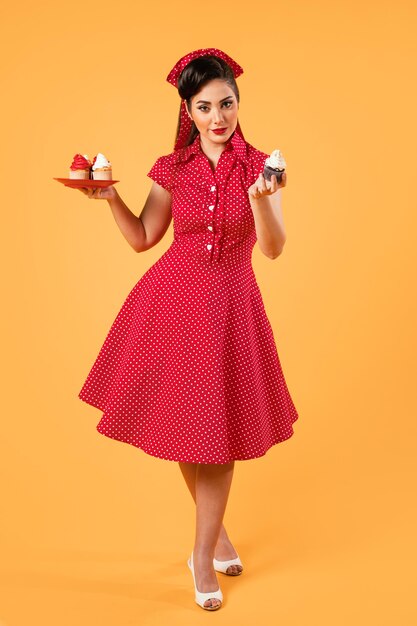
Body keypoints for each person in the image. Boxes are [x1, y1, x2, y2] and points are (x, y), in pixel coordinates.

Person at [77, 48, 299, 611]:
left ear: (237, 102)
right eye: (205, 107)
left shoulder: (259, 168)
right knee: (185, 429)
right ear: (188, 111)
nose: (218, 117)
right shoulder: (171, 168)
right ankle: (215, 537)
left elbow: (272, 250)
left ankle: (200, 555)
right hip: (171, 304)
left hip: (230, 308)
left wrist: (263, 203)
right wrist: (108, 198)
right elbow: (143, 237)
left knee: (218, 436)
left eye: (226, 103)